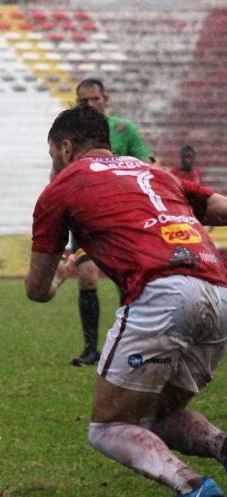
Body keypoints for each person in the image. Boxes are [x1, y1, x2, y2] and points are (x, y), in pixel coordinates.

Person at [26, 105, 227, 497]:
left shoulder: (61, 188)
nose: (53, 165)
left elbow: (36, 289)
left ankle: (189, 485)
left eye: (52, 156)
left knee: (107, 428)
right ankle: (221, 446)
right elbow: (217, 206)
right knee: (154, 419)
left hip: (163, 295)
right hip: (219, 293)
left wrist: (60, 276)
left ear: (65, 148)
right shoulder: (153, 171)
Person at [66, 78, 156, 366]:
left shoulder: (123, 129)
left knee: (125, 283)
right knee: (87, 276)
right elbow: (60, 173)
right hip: (86, 220)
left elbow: (147, 163)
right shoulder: (71, 135)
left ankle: (126, 345)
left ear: (106, 100)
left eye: (95, 99)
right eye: (84, 101)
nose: (90, 105)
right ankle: (90, 348)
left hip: (122, 219)